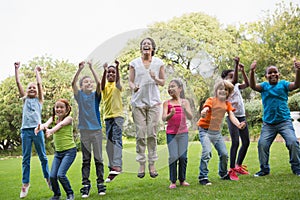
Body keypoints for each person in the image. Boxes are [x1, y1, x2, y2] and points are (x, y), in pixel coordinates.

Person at [249, 59, 300, 177]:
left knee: (292, 142)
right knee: (262, 144)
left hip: (284, 122)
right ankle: (264, 169)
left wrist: (298, 70)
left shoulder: (283, 84)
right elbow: (252, 86)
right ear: (266, 76)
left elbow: (296, 85)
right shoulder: (264, 86)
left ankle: (297, 168)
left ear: (279, 74)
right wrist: (251, 71)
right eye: (270, 73)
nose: (273, 74)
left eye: (275, 72)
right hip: (268, 124)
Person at [197, 80, 246, 186]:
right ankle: (203, 177)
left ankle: (223, 173)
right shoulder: (211, 100)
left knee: (224, 154)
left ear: (229, 93)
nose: (223, 91)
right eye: (221, 89)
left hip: (216, 132)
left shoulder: (227, 104)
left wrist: (238, 125)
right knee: (207, 152)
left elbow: (232, 115)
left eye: (226, 89)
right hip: (204, 130)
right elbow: (206, 108)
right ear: (216, 91)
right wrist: (204, 111)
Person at [129, 37, 165, 178]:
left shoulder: (158, 63)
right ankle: (141, 164)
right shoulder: (134, 63)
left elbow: (162, 82)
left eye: (148, 44)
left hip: (154, 103)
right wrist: (134, 87)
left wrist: (155, 78)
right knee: (140, 135)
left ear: (152, 48)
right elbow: (130, 82)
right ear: (141, 48)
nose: (146, 45)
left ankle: (152, 164)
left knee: (151, 134)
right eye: (144, 44)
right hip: (138, 103)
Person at [14, 62, 50, 198]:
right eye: (30, 88)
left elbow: (40, 85)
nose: (32, 89)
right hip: (26, 131)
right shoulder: (25, 99)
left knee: (43, 157)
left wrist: (37, 72)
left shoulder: (39, 100)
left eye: (33, 88)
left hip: (37, 130)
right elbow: (18, 83)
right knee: (26, 158)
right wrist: (16, 69)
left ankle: (48, 179)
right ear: (26, 91)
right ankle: (25, 184)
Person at [72, 61, 106, 198]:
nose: (89, 84)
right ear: (81, 86)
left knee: (98, 159)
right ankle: (85, 186)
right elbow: (72, 84)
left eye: (90, 82)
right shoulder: (79, 96)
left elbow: (100, 84)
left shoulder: (96, 96)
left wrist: (92, 68)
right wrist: (80, 70)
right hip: (84, 132)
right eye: (86, 82)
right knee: (86, 160)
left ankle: (101, 185)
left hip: (96, 131)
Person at [35, 99, 76, 200]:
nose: (58, 109)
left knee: (61, 175)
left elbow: (60, 125)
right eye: (57, 107)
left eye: (61, 107)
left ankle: (70, 194)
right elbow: (46, 125)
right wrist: (40, 127)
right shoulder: (53, 118)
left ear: (66, 109)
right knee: (52, 176)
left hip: (69, 151)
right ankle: (56, 195)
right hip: (58, 153)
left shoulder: (69, 119)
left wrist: (51, 131)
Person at [221, 57, 250, 180]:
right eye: (230, 76)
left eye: (234, 75)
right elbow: (235, 80)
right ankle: (231, 169)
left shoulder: (236, 85)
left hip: (241, 115)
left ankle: (238, 165)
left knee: (246, 142)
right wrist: (236, 64)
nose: (233, 78)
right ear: (225, 79)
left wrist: (242, 70)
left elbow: (247, 84)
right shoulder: (226, 86)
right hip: (232, 117)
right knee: (236, 142)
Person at [162, 79, 193, 189]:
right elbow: (163, 118)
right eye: (169, 87)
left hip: (183, 133)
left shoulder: (185, 102)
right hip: (171, 134)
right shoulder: (167, 103)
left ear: (180, 89)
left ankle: (182, 179)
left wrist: (185, 109)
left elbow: (190, 117)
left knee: (183, 157)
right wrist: (170, 114)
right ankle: (173, 181)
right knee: (174, 156)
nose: (170, 89)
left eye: (173, 86)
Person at [100, 60, 124, 183]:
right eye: (109, 72)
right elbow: (101, 83)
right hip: (107, 118)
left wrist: (117, 67)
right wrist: (104, 71)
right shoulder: (104, 87)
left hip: (118, 117)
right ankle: (112, 169)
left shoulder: (117, 86)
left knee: (116, 140)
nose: (111, 74)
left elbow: (118, 80)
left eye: (113, 72)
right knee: (109, 145)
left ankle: (118, 165)